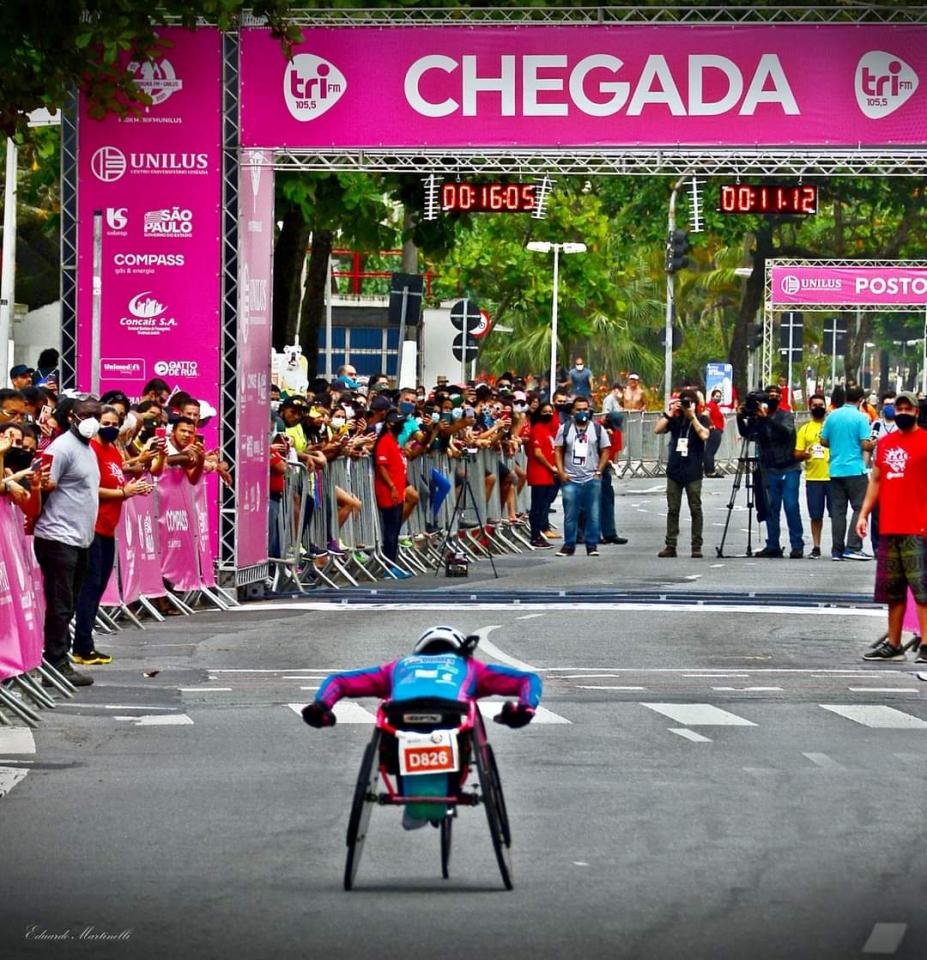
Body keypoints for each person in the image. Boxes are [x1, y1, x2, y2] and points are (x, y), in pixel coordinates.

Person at [301, 625, 542, 829]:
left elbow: (339, 681)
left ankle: (415, 800)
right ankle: (439, 793)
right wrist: (525, 709)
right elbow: (529, 680)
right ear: (460, 651)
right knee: (466, 722)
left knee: (392, 727)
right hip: (451, 718)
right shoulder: (471, 667)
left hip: (400, 720)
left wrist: (322, 706)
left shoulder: (398, 667)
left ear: (418, 651)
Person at [72, 405, 153, 664]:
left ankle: (85, 643)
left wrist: (134, 474)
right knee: (91, 585)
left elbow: (117, 478)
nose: (111, 427)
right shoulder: (91, 450)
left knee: (98, 586)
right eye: (105, 422)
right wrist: (123, 493)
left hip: (108, 527)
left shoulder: (112, 451)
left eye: (115, 423)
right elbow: (91, 488)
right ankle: (82, 645)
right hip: (92, 527)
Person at [33, 397, 105, 687]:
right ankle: (56, 662)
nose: (93, 419)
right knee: (61, 603)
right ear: (71, 416)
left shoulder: (88, 448)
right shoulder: (61, 448)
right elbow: (44, 486)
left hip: (79, 538)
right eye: (87, 414)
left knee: (70, 602)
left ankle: (59, 655)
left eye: (97, 414)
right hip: (57, 537)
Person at [856, 392, 927, 662]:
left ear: (917, 412)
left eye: (909, 408)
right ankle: (894, 643)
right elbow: (876, 480)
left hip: (919, 526)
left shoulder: (925, 441)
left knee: (922, 589)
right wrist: (864, 514)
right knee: (893, 590)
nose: (903, 412)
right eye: (899, 408)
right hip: (890, 526)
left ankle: (926, 645)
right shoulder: (885, 444)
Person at [737, 384, 804, 559]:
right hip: (769, 468)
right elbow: (747, 434)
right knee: (771, 507)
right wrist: (740, 417)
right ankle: (772, 544)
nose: (773, 397)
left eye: (776, 395)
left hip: (789, 467)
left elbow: (786, 434)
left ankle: (797, 545)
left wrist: (766, 419)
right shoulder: (758, 417)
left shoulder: (786, 416)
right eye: (770, 394)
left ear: (781, 398)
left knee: (791, 506)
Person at [654, 390, 711, 558]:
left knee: (695, 508)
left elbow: (704, 435)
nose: (686, 406)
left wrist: (692, 416)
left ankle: (696, 545)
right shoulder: (676, 420)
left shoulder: (701, 419)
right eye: (684, 403)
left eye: (689, 402)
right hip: (675, 469)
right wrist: (671, 413)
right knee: (673, 509)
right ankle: (670, 545)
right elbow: (657, 430)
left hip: (693, 470)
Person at [821, 383, 874, 561]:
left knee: (838, 512)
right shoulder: (861, 418)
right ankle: (853, 546)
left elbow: (823, 441)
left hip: (835, 469)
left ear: (844, 398)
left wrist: (837, 443)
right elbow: (865, 444)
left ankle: (837, 550)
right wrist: (876, 442)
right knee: (860, 508)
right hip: (855, 469)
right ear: (861, 400)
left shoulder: (832, 416)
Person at [554, 397, 610, 557]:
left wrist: (599, 470)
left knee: (593, 513)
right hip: (571, 478)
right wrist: (561, 472)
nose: (582, 413)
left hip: (591, 477)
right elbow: (558, 450)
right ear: (572, 411)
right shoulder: (565, 429)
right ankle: (569, 545)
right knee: (570, 513)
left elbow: (606, 449)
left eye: (585, 409)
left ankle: (592, 545)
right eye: (578, 410)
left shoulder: (597, 429)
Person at [373, 409, 412, 579]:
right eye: (399, 423)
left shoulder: (394, 441)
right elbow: (381, 466)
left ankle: (393, 563)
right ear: (389, 424)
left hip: (398, 489)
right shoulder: (384, 441)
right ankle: (389, 565)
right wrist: (391, 487)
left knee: (395, 528)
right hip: (389, 492)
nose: (402, 426)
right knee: (391, 528)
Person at [793, 393, 831, 559]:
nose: (818, 408)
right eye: (815, 405)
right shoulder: (805, 429)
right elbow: (797, 453)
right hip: (813, 478)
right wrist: (804, 455)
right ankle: (816, 546)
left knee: (836, 514)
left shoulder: (832, 426)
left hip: (833, 477)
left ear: (826, 406)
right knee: (816, 515)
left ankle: (838, 546)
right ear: (810, 408)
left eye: (821, 405)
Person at [526, 402, 557, 548]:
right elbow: (538, 454)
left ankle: (538, 535)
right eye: (545, 412)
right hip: (539, 473)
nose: (548, 414)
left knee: (542, 505)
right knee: (537, 506)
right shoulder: (538, 429)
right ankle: (535, 536)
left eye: (550, 411)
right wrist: (550, 467)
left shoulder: (546, 429)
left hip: (546, 473)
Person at [703, 388, 726, 477]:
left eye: (719, 396)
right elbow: (705, 414)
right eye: (716, 396)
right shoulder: (711, 405)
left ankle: (709, 470)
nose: (718, 398)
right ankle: (710, 471)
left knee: (710, 451)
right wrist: (711, 424)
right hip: (714, 431)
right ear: (712, 397)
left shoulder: (716, 406)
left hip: (717, 430)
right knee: (710, 451)